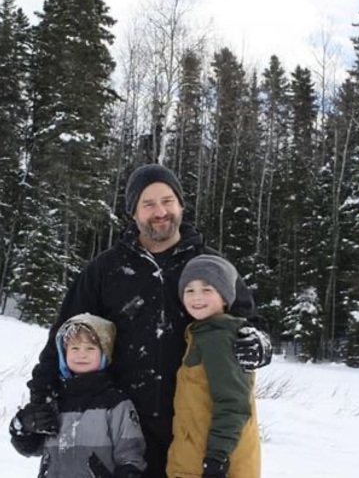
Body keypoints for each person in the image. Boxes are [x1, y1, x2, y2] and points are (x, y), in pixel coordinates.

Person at [24, 163, 272, 477]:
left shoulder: (210, 265)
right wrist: (43, 397)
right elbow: (64, 336)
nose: (160, 212)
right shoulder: (105, 269)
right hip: (123, 429)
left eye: (168, 201)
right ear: (133, 213)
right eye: (148, 204)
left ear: (181, 205)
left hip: (194, 428)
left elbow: (248, 323)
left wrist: (259, 345)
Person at [10, 313, 146, 478]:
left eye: (90, 348)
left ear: (104, 353)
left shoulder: (116, 403)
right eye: (75, 348)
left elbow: (130, 456)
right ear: (64, 353)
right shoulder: (53, 400)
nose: (82, 354)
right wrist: (22, 426)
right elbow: (32, 448)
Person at [166, 255, 260, 478]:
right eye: (189, 290)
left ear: (225, 297)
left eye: (207, 289)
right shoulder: (203, 333)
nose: (197, 297)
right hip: (194, 459)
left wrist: (217, 458)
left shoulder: (219, 337)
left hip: (214, 465)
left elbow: (233, 403)